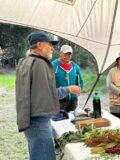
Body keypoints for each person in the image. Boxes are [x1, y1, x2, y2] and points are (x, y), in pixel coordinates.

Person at [16, 32, 81, 160]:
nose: (52, 48)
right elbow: (48, 94)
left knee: (37, 154)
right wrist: (69, 89)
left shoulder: (24, 61)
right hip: (38, 120)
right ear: (39, 45)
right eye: (49, 45)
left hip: (28, 118)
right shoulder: (40, 63)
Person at [52, 44, 84, 112]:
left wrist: (79, 90)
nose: (67, 56)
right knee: (59, 120)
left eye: (69, 54)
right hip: (59, 101)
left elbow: (81, 81)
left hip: (73, 101)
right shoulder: (53, 66)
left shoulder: (75, 67)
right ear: (60, 53)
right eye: (65, 54)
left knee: (72, 120)